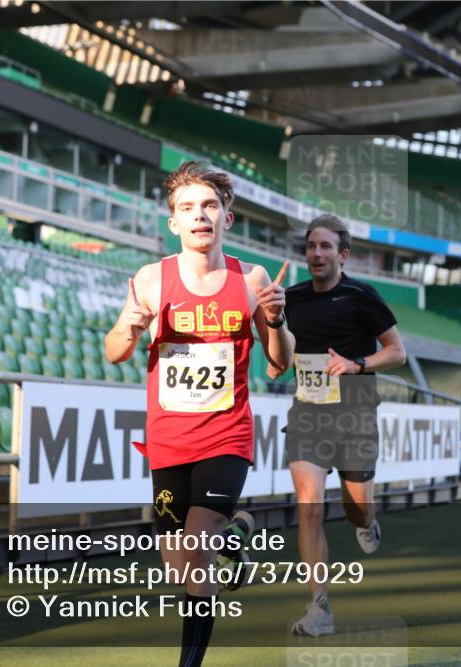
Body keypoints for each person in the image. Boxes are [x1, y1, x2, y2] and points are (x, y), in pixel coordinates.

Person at [104, 161, 295, 667]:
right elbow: (114, 351)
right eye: (187, 208)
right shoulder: (150, 279)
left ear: (227, 218)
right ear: (174, 223)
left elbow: (279, 363)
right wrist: (130, 326)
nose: (200, 216)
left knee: (194, 549)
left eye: (210, 206)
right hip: (167, 439)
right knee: (178, 567)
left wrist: (276, 320)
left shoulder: (251, 279)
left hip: (227, 436)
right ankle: (236, 535)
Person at [267, 214, 406, 637]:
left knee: (356, 508)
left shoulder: (362, 296)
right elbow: (279, 362)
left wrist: (356, 363)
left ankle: (367, 521)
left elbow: (397, 352)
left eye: (326, 246)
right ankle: (320, 607)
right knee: (309, 504)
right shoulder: (289, 298)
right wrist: (273, 321)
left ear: (342, 255)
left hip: (355, 413)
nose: (317, 253)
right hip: (309, 412)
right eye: (311, 246)